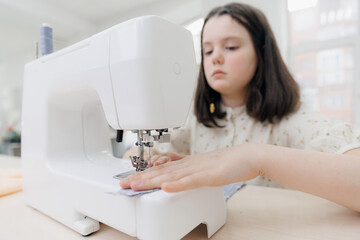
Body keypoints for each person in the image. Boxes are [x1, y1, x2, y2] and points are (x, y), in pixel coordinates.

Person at [120, 2, 360, 212]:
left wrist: (255, 157)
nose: (215, 58)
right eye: (207, 50)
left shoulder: (291, 121)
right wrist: (146, 159)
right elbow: (137, 154)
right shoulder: (194, 121)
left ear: (261, 53)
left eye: (231, 47)